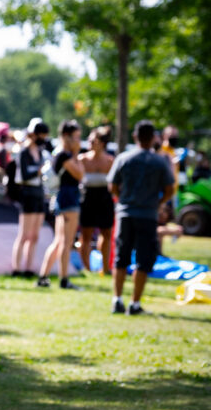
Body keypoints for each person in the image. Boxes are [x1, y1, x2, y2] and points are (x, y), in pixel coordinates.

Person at [108, 120, 175, 315]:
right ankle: (134, 304)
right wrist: (159, 203)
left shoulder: (123, 158)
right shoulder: (159, 161)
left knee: (121, 258)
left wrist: (122, 200)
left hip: (125, 214)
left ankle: (117, 300)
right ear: (153, 137)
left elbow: (112, 185)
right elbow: (170, 189)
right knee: (143, 260)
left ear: (135, 136)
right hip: (147, 215)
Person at [37, 120, 85, 289]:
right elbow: (80, 174)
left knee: (58, 241)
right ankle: (64, 279)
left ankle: (43, 276)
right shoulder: (65, 155)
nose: (78, 141)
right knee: (66, 241)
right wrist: (77, 154)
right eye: (76, 137)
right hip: (68, 199)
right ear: (66, 136)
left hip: (61, 198)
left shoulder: (59, 154)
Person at [11, 119, 50, 277]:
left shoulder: (40, 152)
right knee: (24, 234)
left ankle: (29, 267)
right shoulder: (23, 152)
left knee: (34, 235)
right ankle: (16, 268)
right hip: (27, 194)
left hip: (39, 194)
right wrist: (39, 171)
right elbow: (24, 175)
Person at [78, 126, 115, 274]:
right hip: (87, 198)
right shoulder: (83, 160)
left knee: (106, 233)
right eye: (89, 140)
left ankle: (105, 268)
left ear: (102, 143)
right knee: (86, 234)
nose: (90, 143)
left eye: (94, 140)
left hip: (104, 198)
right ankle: (86, 268)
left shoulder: (110, 161)